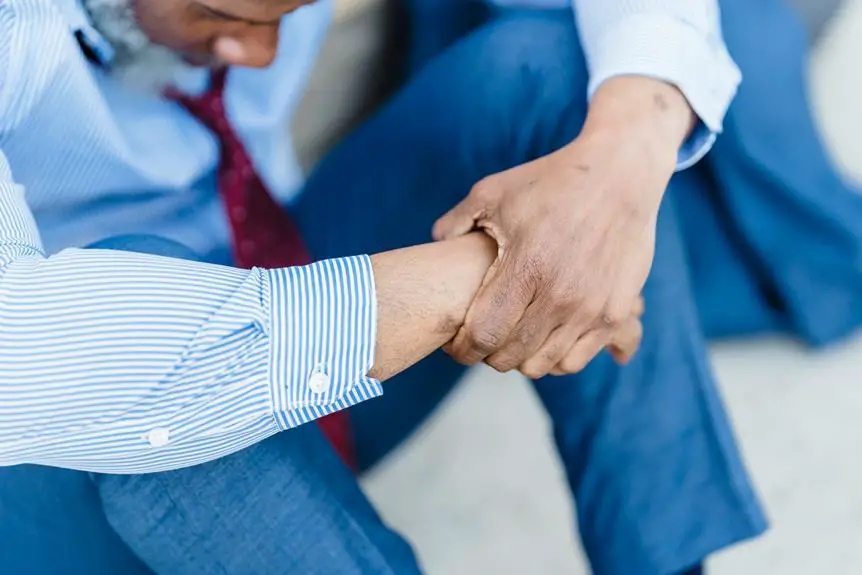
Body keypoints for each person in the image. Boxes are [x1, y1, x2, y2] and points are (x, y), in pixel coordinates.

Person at [10, 0, 858, 573]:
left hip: (288, 282)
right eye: (224, 16)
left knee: (549, 73)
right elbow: (36, 356)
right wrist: (478, 277)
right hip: (59, 447)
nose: (261, 55)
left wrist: (617, 175)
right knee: (149, 330)